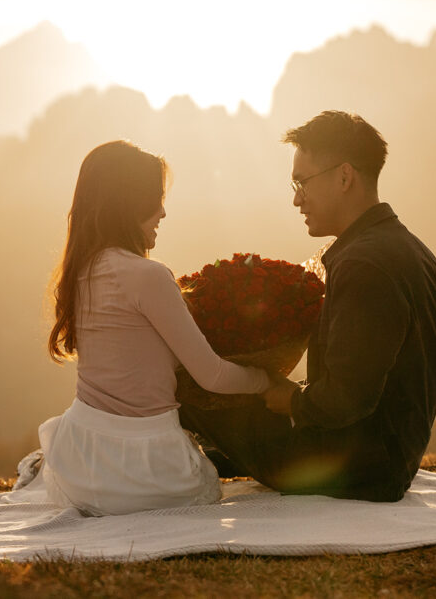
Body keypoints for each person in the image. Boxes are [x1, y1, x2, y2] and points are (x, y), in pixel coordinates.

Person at [180, 111, 436, 502]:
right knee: (241, 406)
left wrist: (291, 398)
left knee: (189, 388)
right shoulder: (413, 250)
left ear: (344, 177)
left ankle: (143, 479)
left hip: (354, 466)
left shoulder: (364, 265)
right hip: (388, 457)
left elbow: (349, 397)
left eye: (301, 182)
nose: (295, 199)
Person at [36, 140, 270, 515]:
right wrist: (267, 381)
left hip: (81, 462)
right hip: (147, 471)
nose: (163, 211)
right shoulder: (149, 276)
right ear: (129, 204)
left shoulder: (80, 272)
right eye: (155, 199)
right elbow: (212, 376)